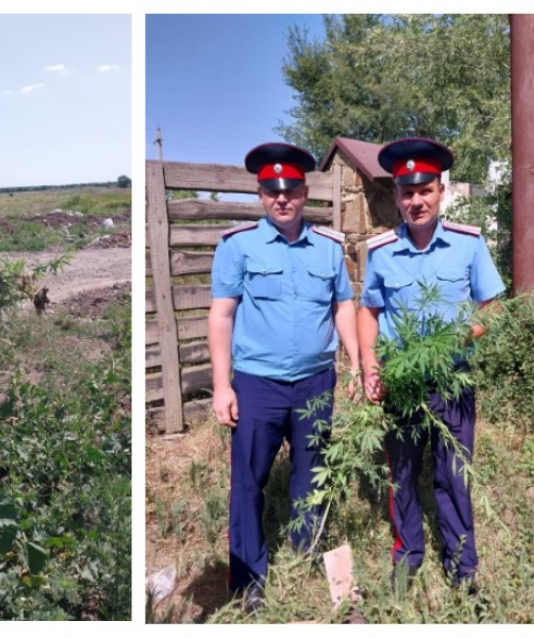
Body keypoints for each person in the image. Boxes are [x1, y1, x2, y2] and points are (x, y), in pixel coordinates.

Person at [208, 142, 360, 611]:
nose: (282, 199)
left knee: (310, 472)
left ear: (304, 192)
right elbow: (221, 316)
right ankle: (249, 577)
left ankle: (302, 551)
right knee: (248, 480)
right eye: (272, 191)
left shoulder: (329, 248)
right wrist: (221, 383)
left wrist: (355, 362)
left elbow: (344, 306)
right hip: (258, 385)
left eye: (291, 190)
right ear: (260, 195)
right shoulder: (239, 246)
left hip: (316, 382)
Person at [358, 137, 505, 591]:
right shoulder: (381, 251)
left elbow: (493, 308)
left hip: (453, 381)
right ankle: (408, 557)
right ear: (397, 196)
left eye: (424, 190)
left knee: (454, 476)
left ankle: (462, 567)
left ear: (440, 191)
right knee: (401, 476)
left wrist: (457, 340)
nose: (415, 201)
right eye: (406, 192)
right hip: (401, 384)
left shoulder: (468, 244)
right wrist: (369, 366)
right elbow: (369, 312)